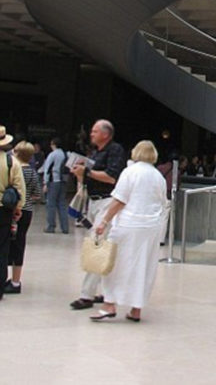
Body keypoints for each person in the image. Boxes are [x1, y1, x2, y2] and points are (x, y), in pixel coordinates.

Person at [89, 140, 168, 323]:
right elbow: (163, 202)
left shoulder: (130, 172)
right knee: (144, 267)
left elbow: (120, 200)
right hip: (151, 227)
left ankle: (109, 304)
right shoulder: (158, 176)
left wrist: (104, 221)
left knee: (116, 264)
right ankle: (136, 309)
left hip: (129, 224)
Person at [69, 119, 127, 310]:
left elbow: (112, 177)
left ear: (105, 134)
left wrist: (88, 172)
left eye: (95, 131)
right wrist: (80, 173)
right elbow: (90, 175)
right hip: (93, 201)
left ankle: (86, 294)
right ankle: (105, 291)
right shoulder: (96, 153)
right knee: (103, 245)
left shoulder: (115, 150)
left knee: (96, 242)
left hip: (107, 201)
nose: (91, 134)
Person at [5, 141, 40, 294]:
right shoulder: (32, 172)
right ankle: (16, 279)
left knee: (7, 243)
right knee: (20, 242)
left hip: (12, 210)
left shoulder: (13, 168)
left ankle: (9, 278)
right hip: (27, 211)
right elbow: (37, 194)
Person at [0, 130, 25, 301]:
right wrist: (18, 208)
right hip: (4, 210)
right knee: (2, 249)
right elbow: (19, 188)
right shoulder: (11, 162)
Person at [42, 137, 69, 234]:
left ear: (53, 144)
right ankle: (65, 227)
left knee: (51, 204)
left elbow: (47, 169)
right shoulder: (66, 154)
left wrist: (45, 182)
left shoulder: (52, 155)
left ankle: (51, 226)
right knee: (62, 204)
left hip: (53, 181)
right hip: (63, 181)